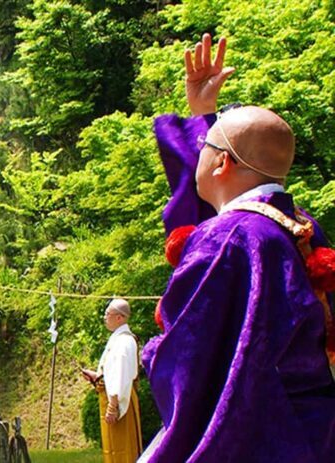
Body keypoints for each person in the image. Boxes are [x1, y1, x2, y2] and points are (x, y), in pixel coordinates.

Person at [142, 33, 335, 461]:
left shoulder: (228, 237)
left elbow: (190, 355)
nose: (199, 153)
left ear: (222, 162)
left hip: (257, 435)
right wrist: (203, 116)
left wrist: (154, 353)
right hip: (313, 433)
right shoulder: (301, 229)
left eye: (204, 147)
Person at [81, 299, 142, 463]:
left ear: (120, 318)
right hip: (111, 397)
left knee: (123, 449)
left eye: (108, 314)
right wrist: (97, 377)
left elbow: (121, 375)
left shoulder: (124, 341)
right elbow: (112, 372)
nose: (104, 317)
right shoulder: (117, 339)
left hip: (119, 401)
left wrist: (113, 405)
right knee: (112, 449)